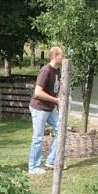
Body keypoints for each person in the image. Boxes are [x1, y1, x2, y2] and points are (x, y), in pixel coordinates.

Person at [28, 46, 65, 175]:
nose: (63, 57)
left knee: (60, 130)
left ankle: (51, 160)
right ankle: (33, 167)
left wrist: (60, 99)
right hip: (39, 107)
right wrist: (56, 101)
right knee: (38, 137)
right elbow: (38, 92)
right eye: (62, 55)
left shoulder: (57, 71)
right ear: (55, 56)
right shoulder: (46, 71)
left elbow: (55, 90)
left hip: (50, 107)